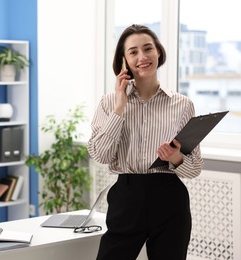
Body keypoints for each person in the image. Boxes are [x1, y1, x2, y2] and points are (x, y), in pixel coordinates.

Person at [87, 24, 203, 260]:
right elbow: (101, 155)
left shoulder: (182, 105)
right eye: (133, 52)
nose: (142, 57)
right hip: (126, 198)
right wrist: (119, 108)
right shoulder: (108, 103)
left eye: (148, 48)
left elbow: (194, 169)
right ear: (124, 61)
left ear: (158, 52)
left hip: (170, 199)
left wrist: (176, 158)